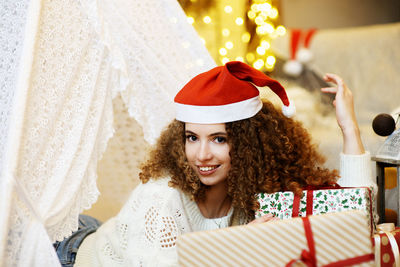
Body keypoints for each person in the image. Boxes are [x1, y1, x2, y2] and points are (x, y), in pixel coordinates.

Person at [56, 61, 375, 266]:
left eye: (219, 139)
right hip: (73, 252)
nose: (201, 155)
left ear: (250, 146)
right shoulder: (161, 198)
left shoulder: (257, 187)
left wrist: (349, 128)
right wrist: (237, 245)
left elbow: (355, 224)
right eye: (192, 137)